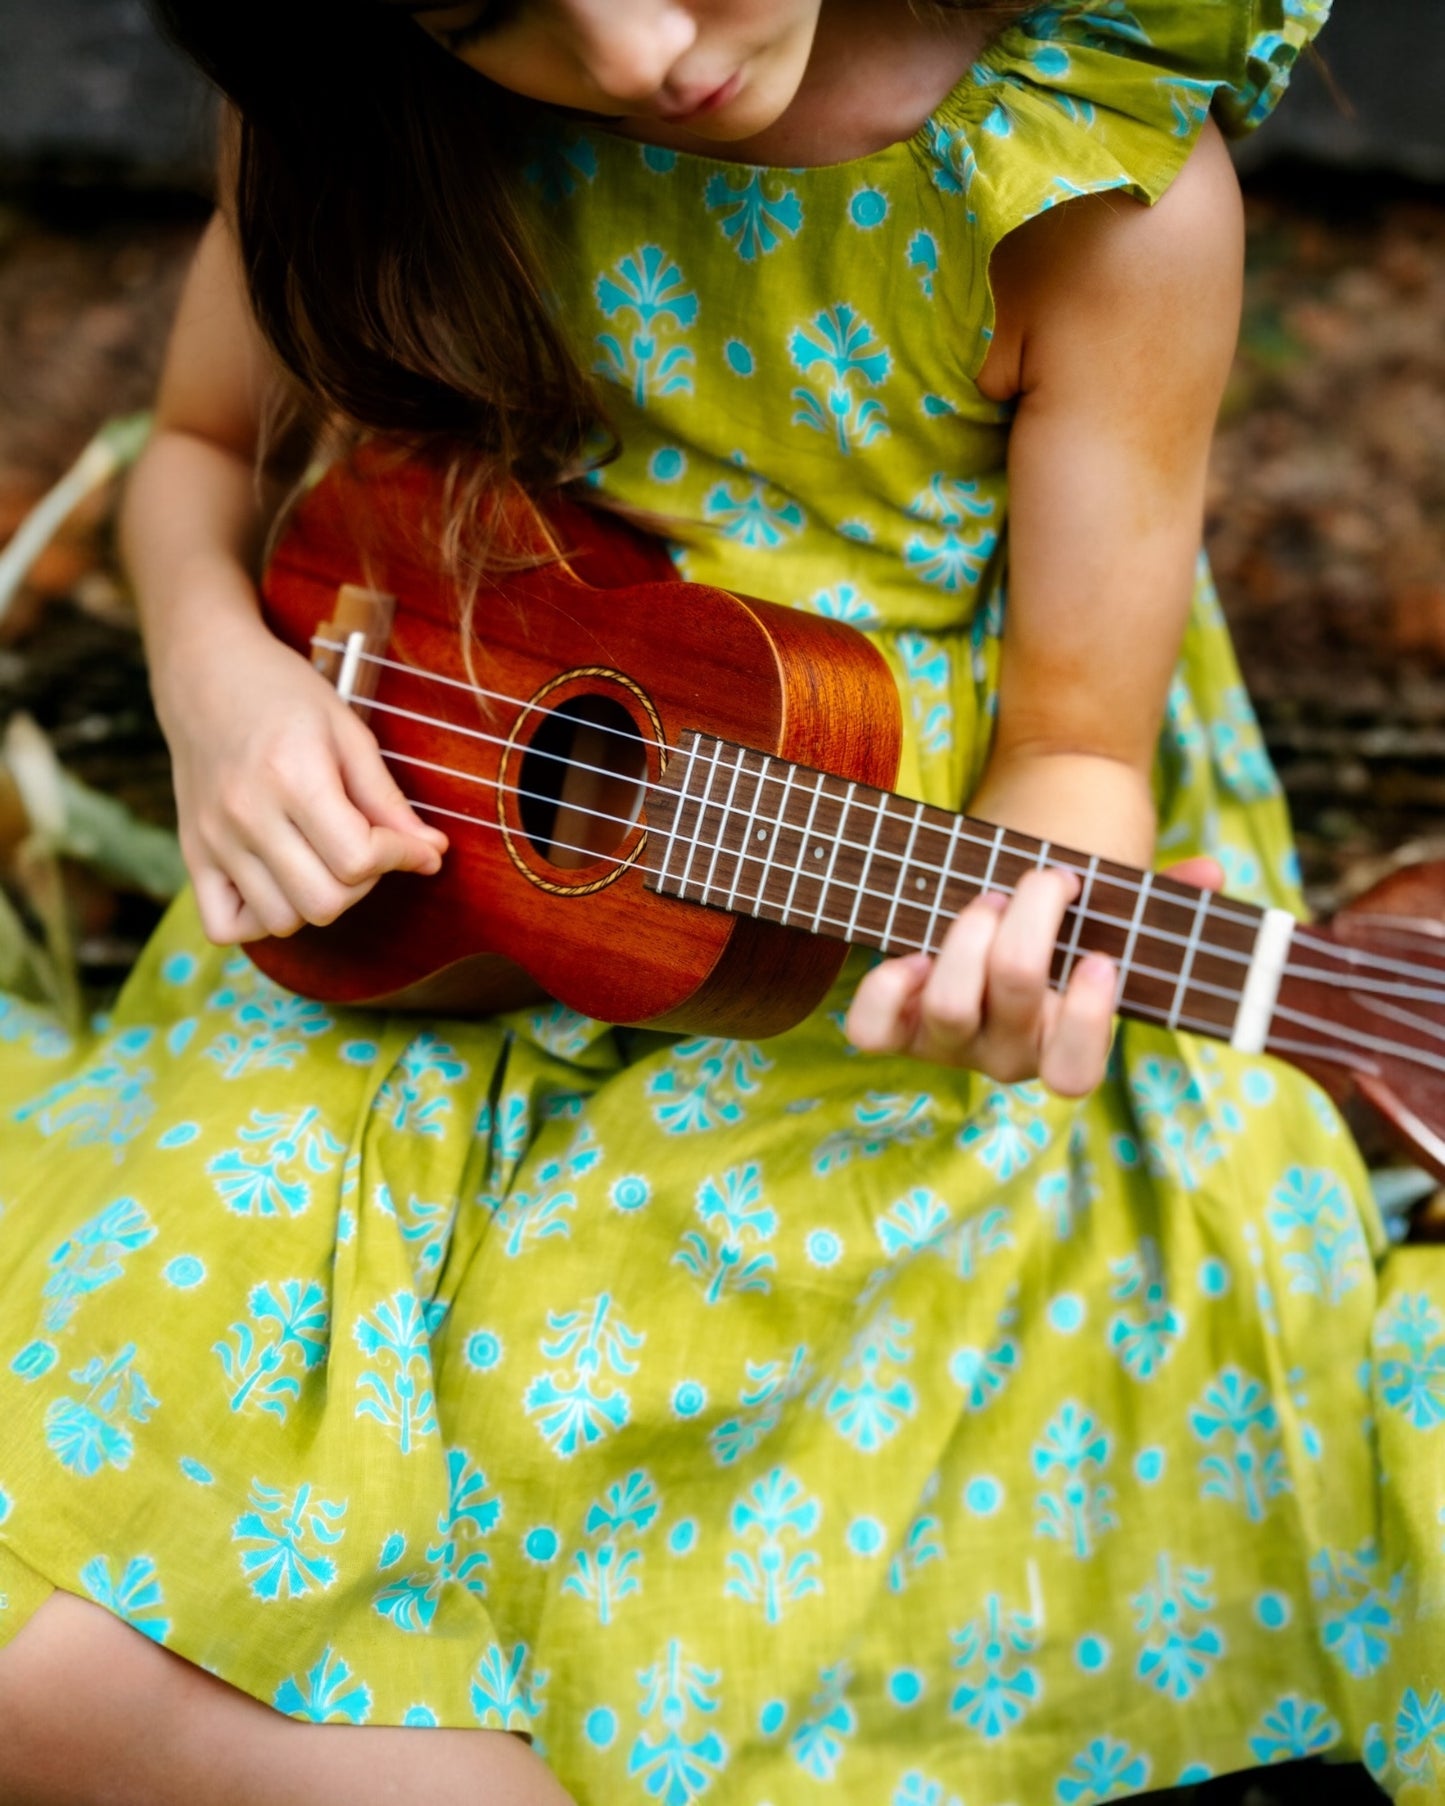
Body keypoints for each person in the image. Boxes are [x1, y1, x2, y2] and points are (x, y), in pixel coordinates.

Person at [0, 1, 1440, 1801]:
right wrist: (221, 683)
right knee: (46, 1626)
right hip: (389, 919)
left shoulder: (1080, 197)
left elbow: (1077, 753)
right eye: (486, 5)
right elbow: (203, 452)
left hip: (840, 1003)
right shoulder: (367, 97)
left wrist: (1020, 941)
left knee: (631, 1507)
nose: (633, 52)